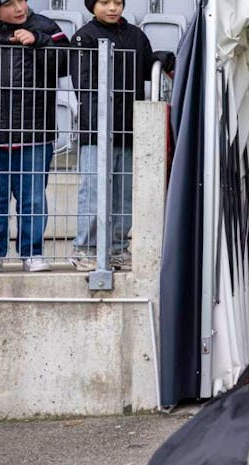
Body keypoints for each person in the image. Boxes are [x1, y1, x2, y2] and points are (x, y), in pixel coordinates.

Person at [0, 0, 68, 273]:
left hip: (35, 129)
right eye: (9, 4)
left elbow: (67, 64)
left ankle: (32, 253)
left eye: (21, 0)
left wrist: (40, 41)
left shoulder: (44, 25)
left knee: (32, 197)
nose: (20, 8)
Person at [68, 0, 159, 271]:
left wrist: (160, 59)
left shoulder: (136, 36)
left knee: (123, 194)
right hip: (96, 130)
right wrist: (98, 121)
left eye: (117, 2)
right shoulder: (84, 36)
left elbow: (146, 71)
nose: (112, 8)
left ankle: (117, 248)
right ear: (92, 6)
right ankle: (85, 249)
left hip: (129, 128)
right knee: (94, 190)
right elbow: (82, 84)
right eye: (105, 2)